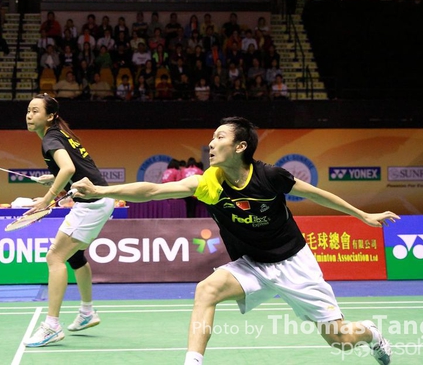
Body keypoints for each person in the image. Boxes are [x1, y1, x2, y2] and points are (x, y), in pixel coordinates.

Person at [70, 117, 398, 365]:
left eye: (220, 137)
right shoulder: (209, 184)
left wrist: (362, 215)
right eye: (212, 137)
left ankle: (371, 333)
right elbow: (153, 190)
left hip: (294, 263)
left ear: (240, 147)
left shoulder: (269, 176)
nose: (211, 143)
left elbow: (317, 194)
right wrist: (100, 190)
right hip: (252, 264)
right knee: (206, 290)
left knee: (340, 340)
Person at [23, 93, 115, 348]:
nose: (29, 115)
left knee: (54, 257)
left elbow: (69, 169)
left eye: (35, 111)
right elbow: (78, 170)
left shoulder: (50, 139)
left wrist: (47, 199)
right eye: (28, 110)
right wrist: (53, 179)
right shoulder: (61, 134)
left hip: (92, 204)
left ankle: (52, 326)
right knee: (75, 257)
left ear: (50, 116)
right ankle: (87, 312)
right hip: (100, 199)